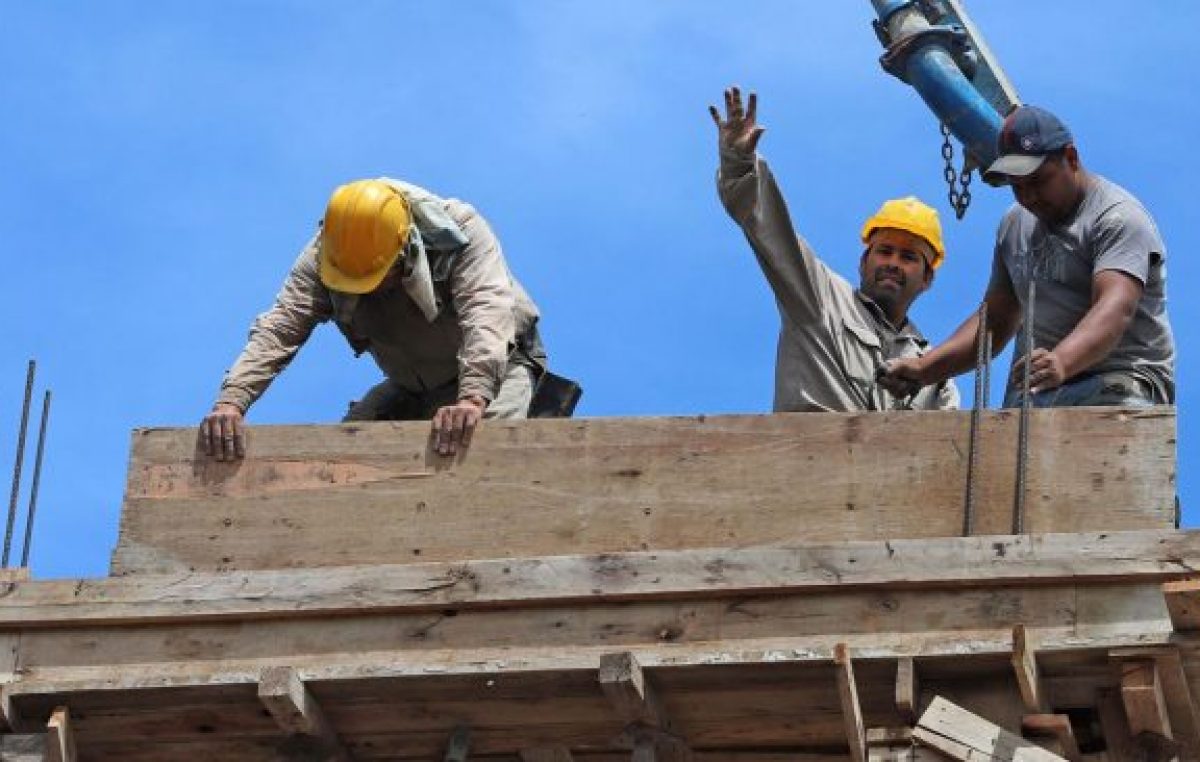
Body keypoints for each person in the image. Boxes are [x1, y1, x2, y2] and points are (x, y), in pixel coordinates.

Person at [200, 178, 546, 460]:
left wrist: (472, 399)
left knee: (482, 458)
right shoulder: (328, 254)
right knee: (342, 468)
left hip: (498, 371)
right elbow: (279, 330)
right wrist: (231, 403)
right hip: (410, 386)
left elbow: (486, 313)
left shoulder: (460, 233)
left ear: (404, 246)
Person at [878, 105, 1174, 408]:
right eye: (1017, 186)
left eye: (1037, 181)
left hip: (1119, 383)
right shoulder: (1015, 225)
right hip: (1044, 391)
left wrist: (1061, 361)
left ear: (1071, 159)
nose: (1028, 196)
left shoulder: (1117, 218)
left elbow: (1115, 307)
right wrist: (924, 369)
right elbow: (995, 320)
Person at [711, 86, 958, 412]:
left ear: (927, 279)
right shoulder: (819, 296)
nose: (893, 263)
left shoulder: (935, 374)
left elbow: (950, 452)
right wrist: (739, 163)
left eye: (909, 257)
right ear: (863, 261)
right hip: (810, 459)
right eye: (884, 251)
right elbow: (768, 228)